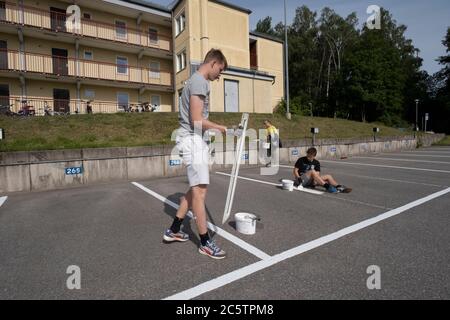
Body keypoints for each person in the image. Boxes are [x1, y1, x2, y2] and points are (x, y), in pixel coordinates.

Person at [163, 49, 228, 259]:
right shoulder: (200, 82)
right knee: (200, 193)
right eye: (220, 69)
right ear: (213, 62)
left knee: (194, 190)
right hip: (192, 139)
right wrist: (220, 127)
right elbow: (196, 120)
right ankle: (205, 242)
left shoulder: (194, 81)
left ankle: (173, 230)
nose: (220, 75)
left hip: (191, 138)